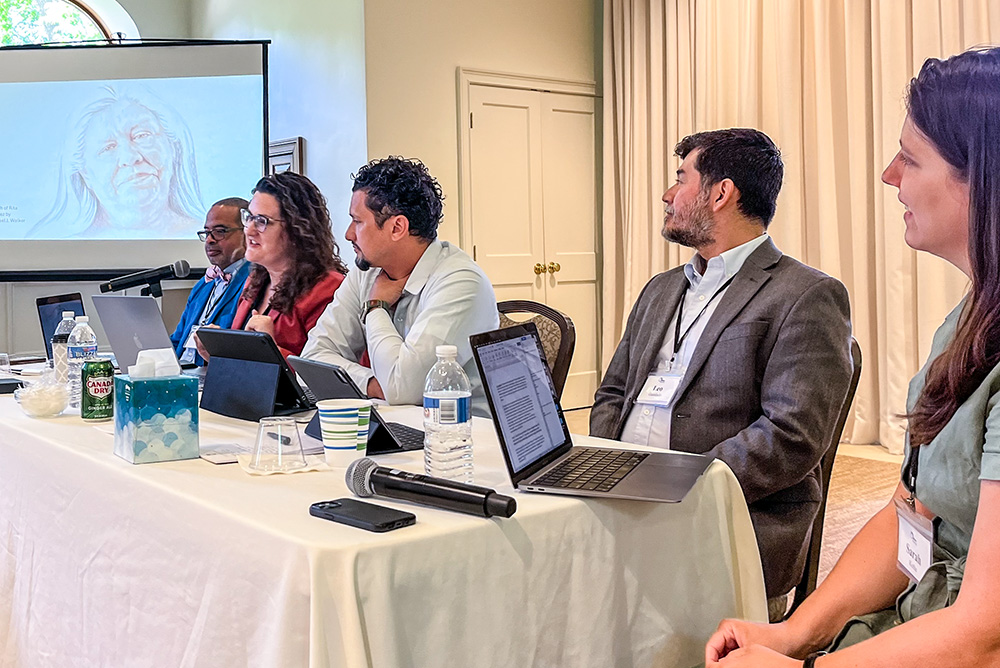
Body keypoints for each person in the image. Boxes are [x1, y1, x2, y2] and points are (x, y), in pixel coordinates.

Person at [705, 47, 1000, 667]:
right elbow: (910, 516)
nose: (890, 175)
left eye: (911, 158)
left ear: (983, 177)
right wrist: (792, 633)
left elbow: (982, 635)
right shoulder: (969, 322)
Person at [590, 128, 854, 619]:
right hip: (625, 500)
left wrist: (682, 483)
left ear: (720, 193)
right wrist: (611, 468)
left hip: (724, 520)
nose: (668, 195)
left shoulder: (805, 295)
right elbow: (612, 393)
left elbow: (792, 435)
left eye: (680, 179)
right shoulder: (661, 289)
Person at [301, 156, 499, 415]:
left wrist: (376, 307)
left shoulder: (461, 282)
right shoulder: (367, 271)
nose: (349, 234)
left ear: (397, 227)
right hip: (397, 426)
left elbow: (403, 391)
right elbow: (311, 360)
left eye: (358, 222)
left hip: (461, 439)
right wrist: (372, 383)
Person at [197, 172, 347, 360]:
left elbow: (326, 376)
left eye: (262, 221)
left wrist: (270, 350)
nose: (249, 230)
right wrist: (220, 354)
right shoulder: (255, 280)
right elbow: (248, 366)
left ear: (297, 229)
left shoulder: (328, 289)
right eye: (249, 217)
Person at [30, 85, 203, 239]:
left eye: (142, 136)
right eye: (108, 148)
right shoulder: (62, 248)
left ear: (172, 148)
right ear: (85, 174)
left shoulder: (206, 238)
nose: (130, 157)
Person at [169, 197, 252, 366]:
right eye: (207, 232)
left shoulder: (254, 283)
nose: (210, 240)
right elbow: (177, 341)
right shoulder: (204, 285)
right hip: (184, 373)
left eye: (220, 231)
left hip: (214, 375)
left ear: (247, 233)